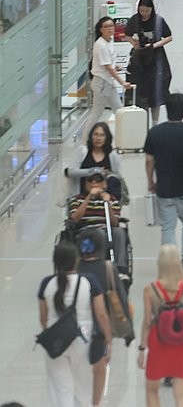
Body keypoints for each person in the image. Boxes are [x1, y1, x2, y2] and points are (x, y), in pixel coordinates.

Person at [39, 241, 112, 407]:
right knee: (82, 387)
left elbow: (43, 317)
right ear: (76, 260)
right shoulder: (89, 282)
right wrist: (108, 339)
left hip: (54, 338)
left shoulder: (46, 284)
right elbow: (101, 314)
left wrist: (50, 332)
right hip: (82, 336)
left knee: (60, 389)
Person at [138, 245, 183, 406]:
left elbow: (146, 321)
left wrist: (142, 349)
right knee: (181, 394)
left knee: (152, 389)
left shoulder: (150, 289)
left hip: (159, 342)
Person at [145, 94, 183, 258]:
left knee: (167, 227)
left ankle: (170, 262)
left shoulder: (155, 133)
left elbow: (149, 161)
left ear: (166, 108)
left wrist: (151, 182)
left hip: (164, 188)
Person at [124, 0, 173, 121]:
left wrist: (154, 45)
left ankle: (155, 122)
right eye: (141, 10)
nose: (144, 14)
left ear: (152, 9)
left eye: (147, 11)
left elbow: (169, 37)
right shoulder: (135, 20)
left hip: (156, 59)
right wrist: (133, 43)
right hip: (140, 60)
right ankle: (142, 121)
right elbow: (127, 34)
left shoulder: (158, 21)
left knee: (156, 93)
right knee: (141, 92)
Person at [80, 17, 132, 132]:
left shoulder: (109, 40)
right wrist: (122, 82)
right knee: (96, 113)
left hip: (108, 82)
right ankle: (86, 140)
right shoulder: (101, 44)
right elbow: (108, 67)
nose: (109, 29)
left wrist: (115, 67)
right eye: (106, 27)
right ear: (101, 29)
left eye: (111, 26)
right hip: (102, 83)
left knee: (118, 109)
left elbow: (108, 64)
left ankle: (125, 137)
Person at [66, 122, 123, 201]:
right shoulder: (83, 151)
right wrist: (93, 171)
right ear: (91, 136)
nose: (98, 138)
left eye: (102, 135)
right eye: (95, 134)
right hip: (81, 199)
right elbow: (70, 172)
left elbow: (117, 178)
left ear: (107, 138)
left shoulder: (112, 155)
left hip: (104, 200)